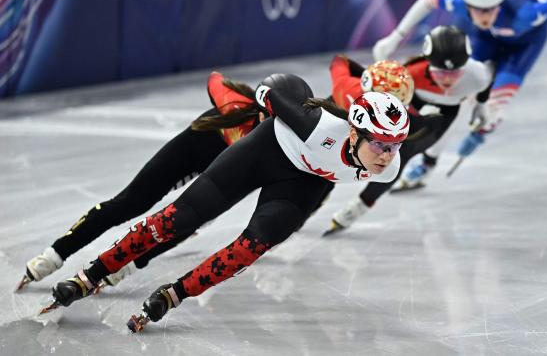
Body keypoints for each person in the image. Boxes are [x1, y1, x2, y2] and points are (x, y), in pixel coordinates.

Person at [46, 76, 411, 332]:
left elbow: (337, 177)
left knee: (250, 247)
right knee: (176, 219)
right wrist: (266, 104)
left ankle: (172, 295)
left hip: (302, 182)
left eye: (394, 145)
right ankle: (91, 275)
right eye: (379, 143)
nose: (386, 154)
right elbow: (271, 86)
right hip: (265, 151)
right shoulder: (316, 125)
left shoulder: (387, 169)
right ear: (353, 132)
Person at [16, 71, 272, 291]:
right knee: (130, 203)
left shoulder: (270, 145)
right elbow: (215, 78)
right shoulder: (234, 104)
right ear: (259, 110)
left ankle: (125, 267)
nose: (268, 125)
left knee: (185, 222)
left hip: (220, 173)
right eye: (267, 118)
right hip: (189, 150)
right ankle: (54, 254)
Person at [372, 0, 547, 184]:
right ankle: (427, 163)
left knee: (494, 107)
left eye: (491, 9)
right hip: (486, 40)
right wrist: (395, 37)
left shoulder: (527, 14)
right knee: (460, 98)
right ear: (467, 4)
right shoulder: (460, 4)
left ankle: (485, 126)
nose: (485, 15)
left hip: (524, 48)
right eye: (478, 10)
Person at [324, 25, 492, 233]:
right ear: (429, 63)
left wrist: (482, 107)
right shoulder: (411, 73)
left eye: (455, 73)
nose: (447, 80)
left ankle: (360, 206)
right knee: (390, 147)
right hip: (413, 104)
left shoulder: (478, 74)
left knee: (401, 156)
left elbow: (485, 85)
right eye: (440, 73)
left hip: (442, 115)